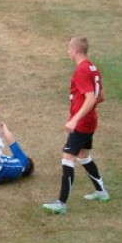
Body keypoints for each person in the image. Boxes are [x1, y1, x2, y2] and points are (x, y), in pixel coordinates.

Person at [43, 37, 108, 215]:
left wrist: (75, 119)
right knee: (83, 156)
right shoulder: (93, 68)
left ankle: (61, 203)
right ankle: (101, 192)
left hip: (82, 122)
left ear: (76, 51)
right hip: (91, 120)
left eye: (69, 49)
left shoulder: (81, 71)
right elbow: (100, 96)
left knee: (67, 158)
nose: (67, 52)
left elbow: (91, 98)